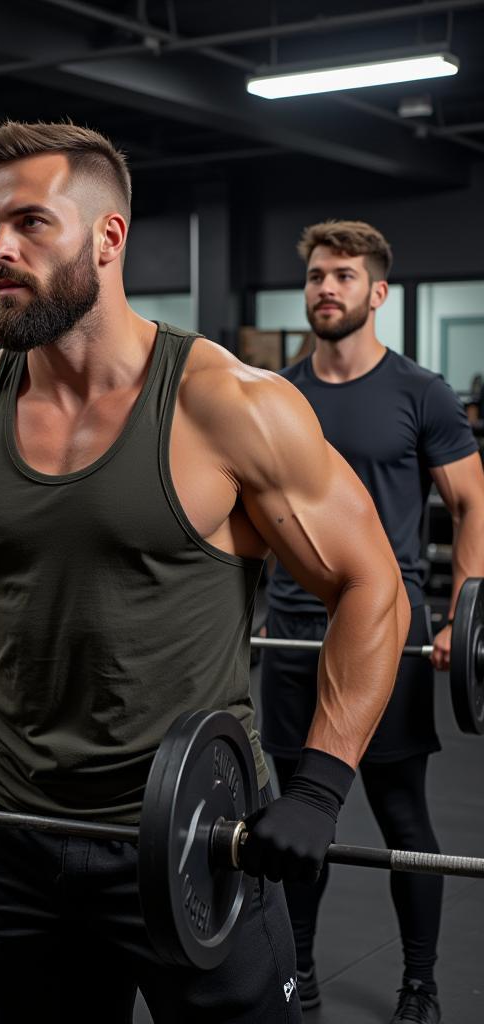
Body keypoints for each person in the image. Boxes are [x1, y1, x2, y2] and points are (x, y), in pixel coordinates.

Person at [0, 120, 411, 1024]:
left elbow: (372, 582)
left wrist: (318, 788)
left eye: (31, 223)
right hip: (17, 838)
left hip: (192, 833)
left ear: (108, 239)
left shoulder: (227, 405)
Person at [260, 220, 484, 1023]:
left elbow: (469, 501)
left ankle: (419, 985)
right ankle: (301, 975)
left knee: (402, 816)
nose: (327, 287)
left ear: (377, 293)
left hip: (390, 636)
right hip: (291, 633)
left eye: (344, 276)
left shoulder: (419, 392)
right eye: (318, 274)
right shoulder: (278, 395)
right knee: (291, 815)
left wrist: (463, 608)